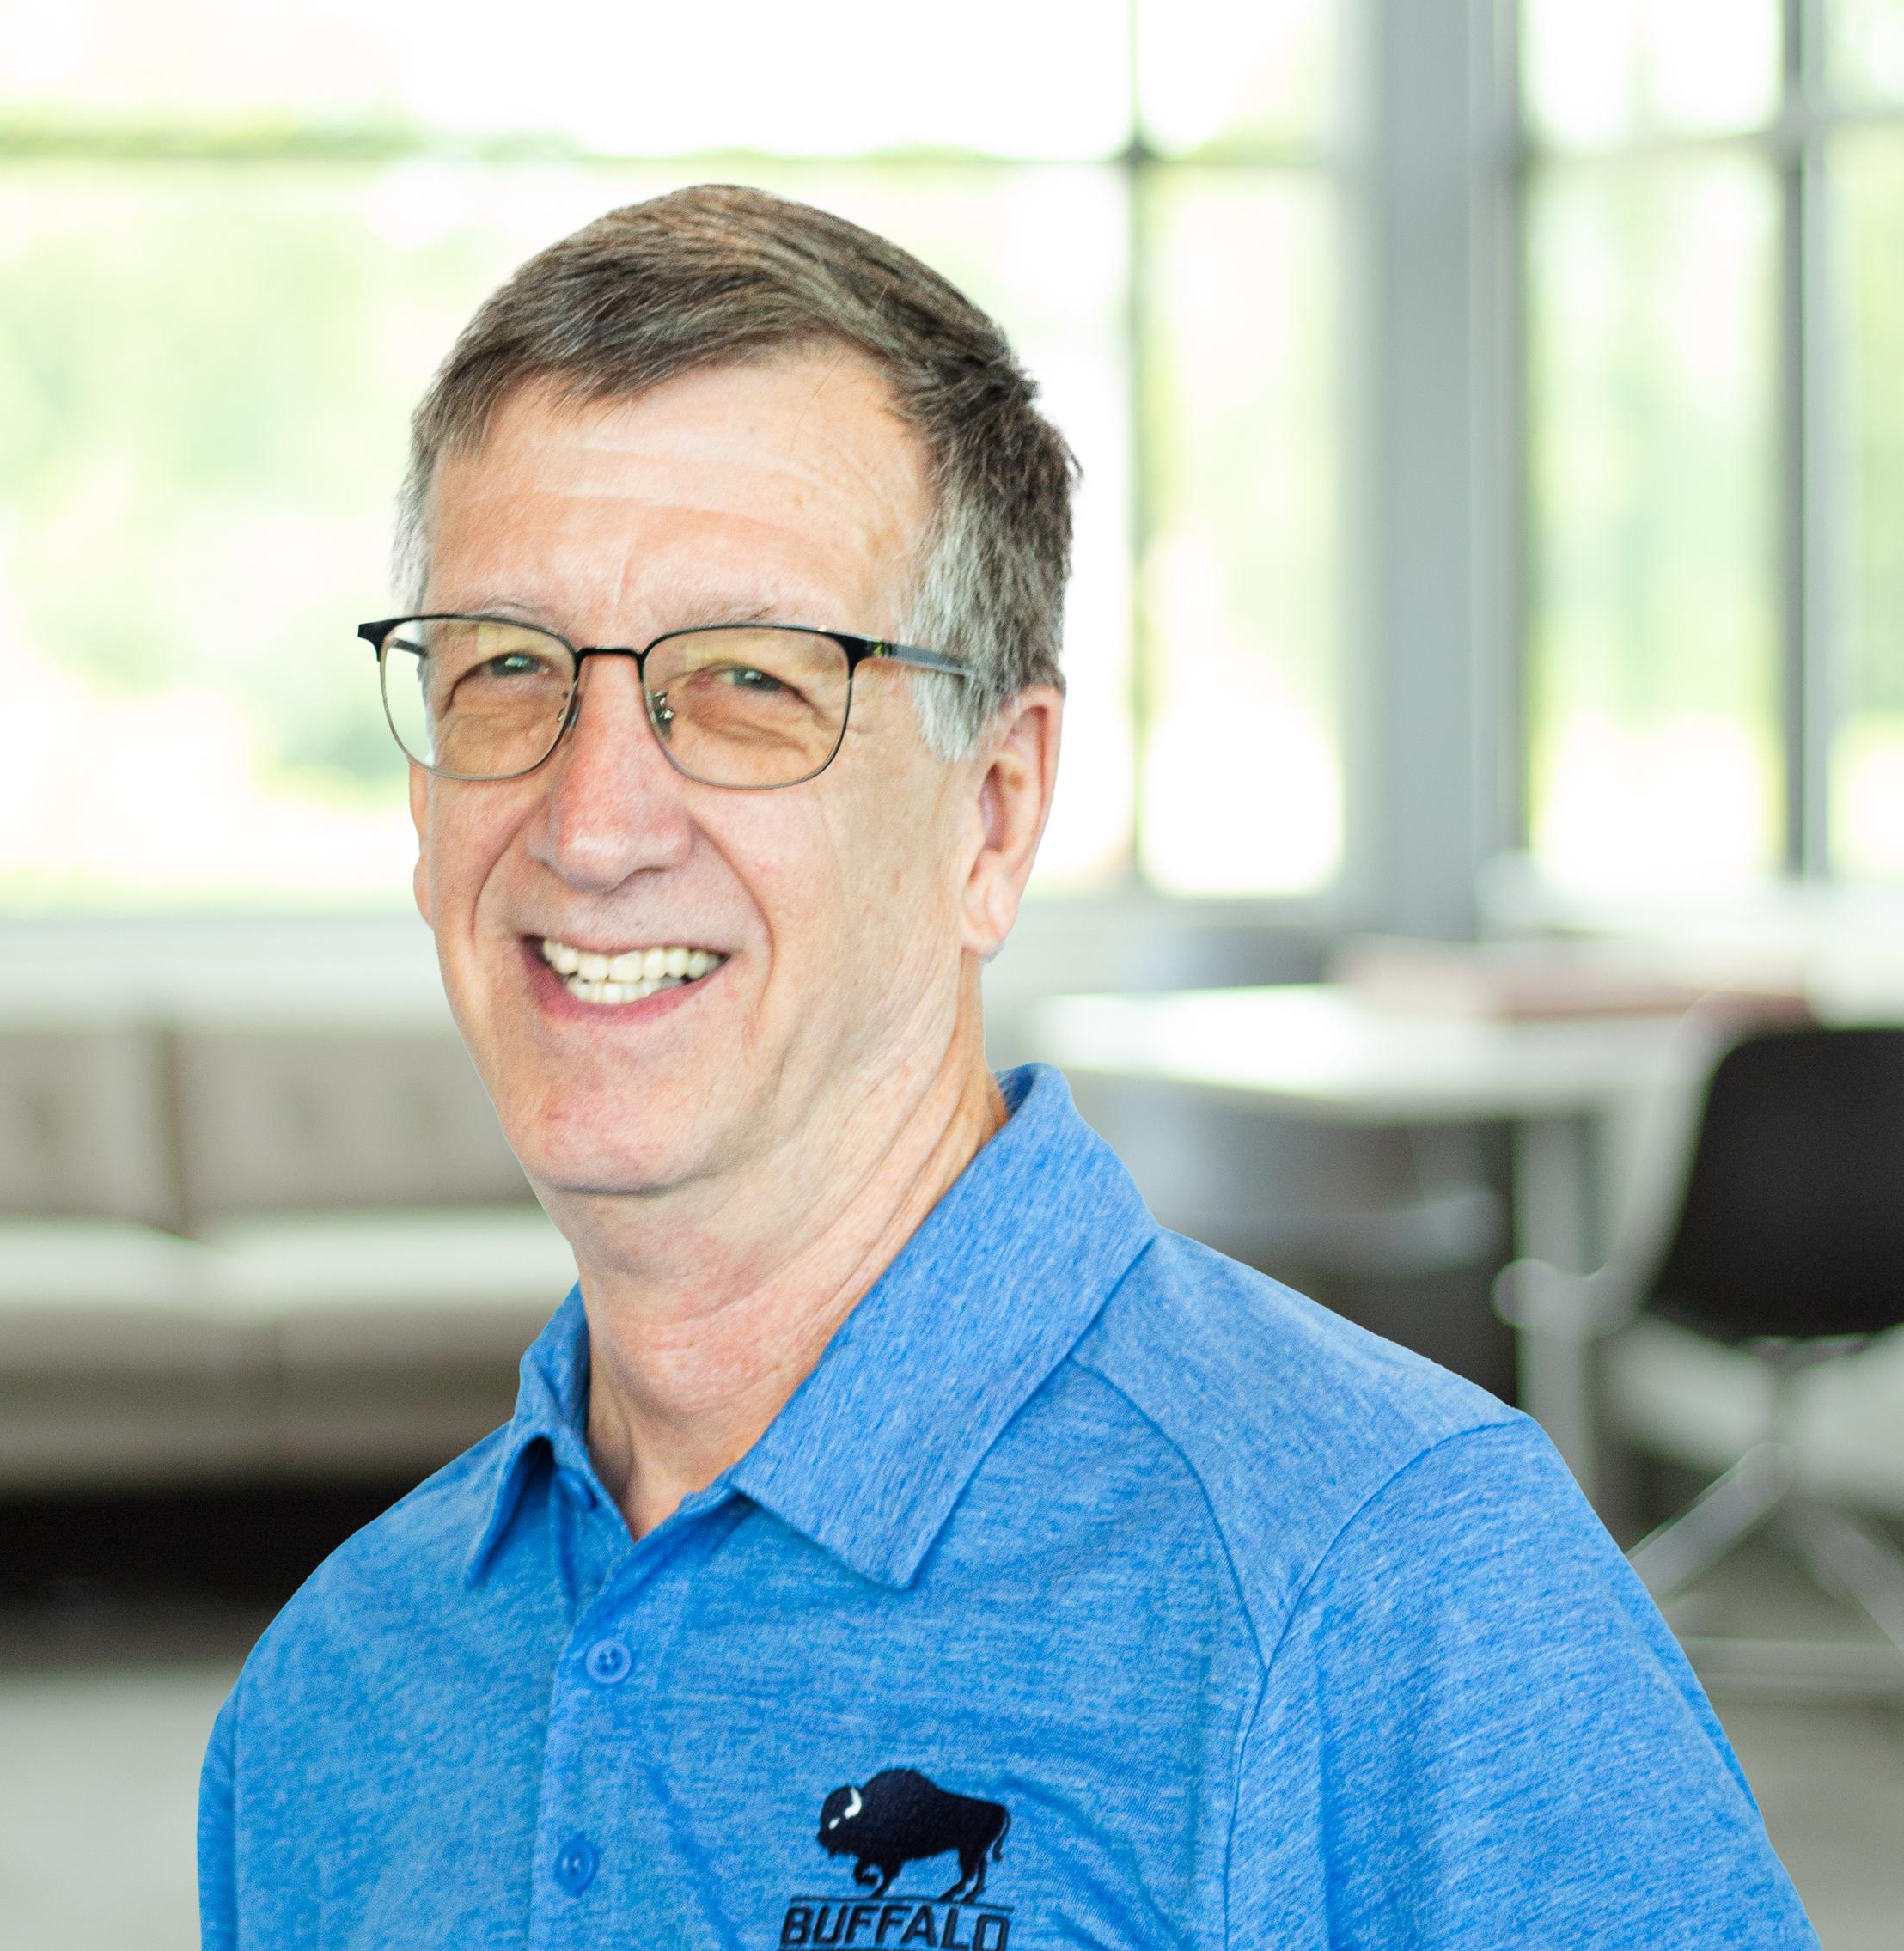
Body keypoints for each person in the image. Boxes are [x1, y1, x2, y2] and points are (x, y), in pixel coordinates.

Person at [198, 183, 1816, 1949]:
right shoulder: (334, 1691)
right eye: (506, 669)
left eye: (749, 682)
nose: (590, 821)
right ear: (423, 806)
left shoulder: (1391, 1573)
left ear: (993, 809)